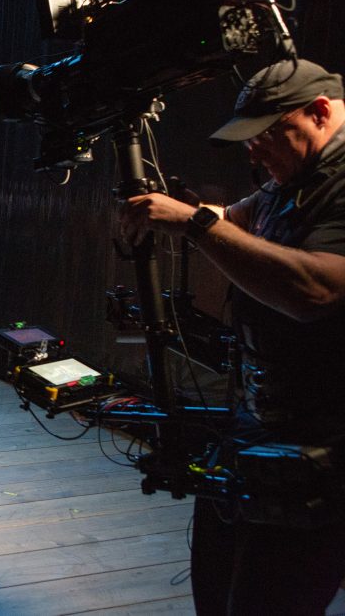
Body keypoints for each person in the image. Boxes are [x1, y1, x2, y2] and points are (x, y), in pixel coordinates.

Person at [120, 59, 345, 615]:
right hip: (262, 434)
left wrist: (196, 226)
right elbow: (241, 214)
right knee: (218, 590)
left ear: (319, 113)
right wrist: (176, 213)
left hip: (323, 452)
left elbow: (316, 291)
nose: (253, 153)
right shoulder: (293, 177)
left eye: (266, 137)